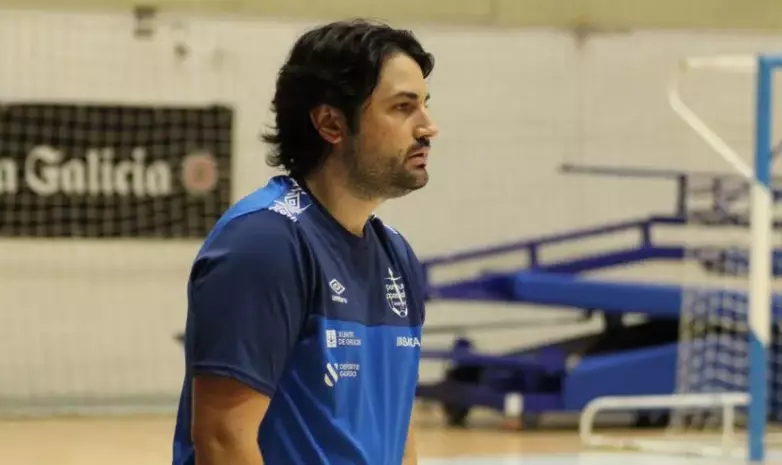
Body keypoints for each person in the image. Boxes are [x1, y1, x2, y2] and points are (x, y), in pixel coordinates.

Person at [171, 18, 439, 465]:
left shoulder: (397, 254)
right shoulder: (265, 243)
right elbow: (222, 441)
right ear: (331, 123)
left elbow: (397, 427)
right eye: (402, 107)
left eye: (425, 105)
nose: (428, 127)